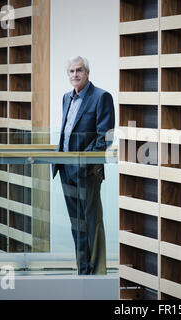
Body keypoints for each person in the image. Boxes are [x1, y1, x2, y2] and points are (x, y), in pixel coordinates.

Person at [52, 56, 115, 275]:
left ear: (87, 73)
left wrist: (81, 159)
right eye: (71, 71)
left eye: (79, 70)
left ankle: (97, 274)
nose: (75, 75)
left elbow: (105, 138)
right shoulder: (65, 98)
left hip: (87, 170)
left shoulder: (101, 97)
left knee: (92, 223)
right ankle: (83, 271)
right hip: (65, 170)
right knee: (76, 224)